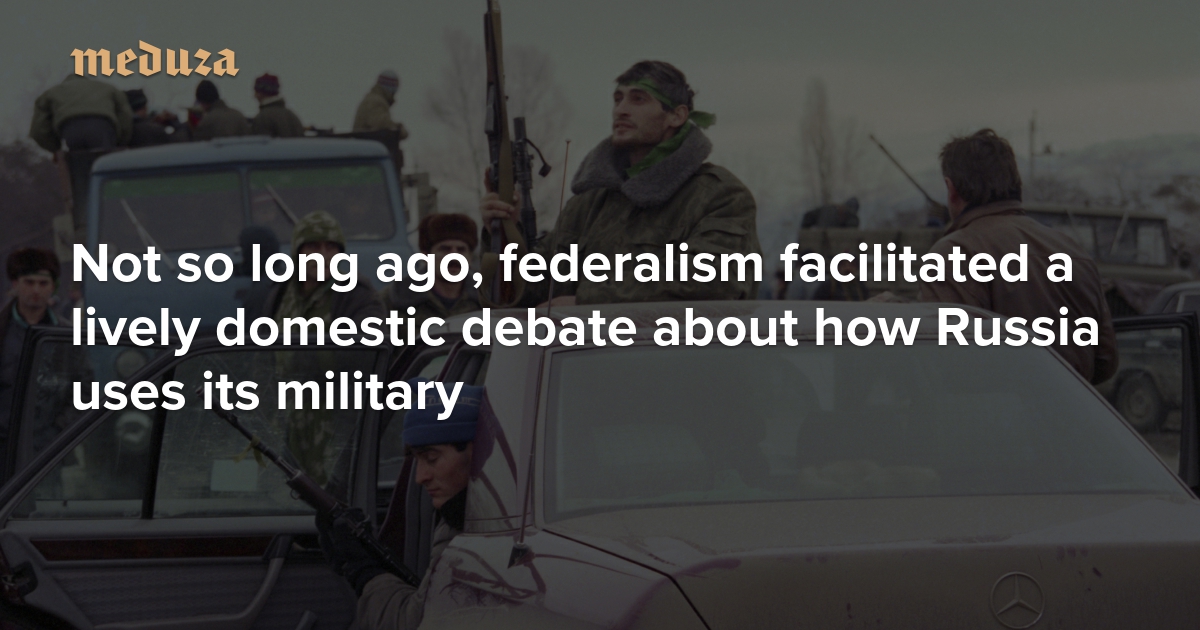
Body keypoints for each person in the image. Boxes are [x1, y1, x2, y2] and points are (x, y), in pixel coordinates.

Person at [480, 60, 761, 306]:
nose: (621, 110)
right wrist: (505, 233)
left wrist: (589, 303)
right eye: (618, 100)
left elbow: (715, 280)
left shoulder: (719, 195)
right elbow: (529, 291)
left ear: (677, 116)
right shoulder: (589, 203)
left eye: (638, 100)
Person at [919, 129, 1117, 384]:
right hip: (1069, 407)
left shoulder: (954, 253)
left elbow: (948, 364)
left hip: (993, 408)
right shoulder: (1073, 251)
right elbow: (1105, 361)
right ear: (1015, 184)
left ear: (951, 189)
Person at [316, 382, 483, 630]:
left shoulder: (474, 535)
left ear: (478, 452)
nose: (420, 477)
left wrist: (364, 571)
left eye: (431, 459)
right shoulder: (464, 516)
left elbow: (416, 623)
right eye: (417, 460)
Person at [258, 211, 385, 324]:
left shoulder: (357, 296)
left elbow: (370, 340)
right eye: (313, 247)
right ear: (298, 253)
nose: (323, 256)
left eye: (330, 247)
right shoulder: (280, 294)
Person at [0, 249, 68, 453]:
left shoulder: (67, 335)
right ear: (15, 284)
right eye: (29, 282)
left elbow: (83, 388)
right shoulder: (3, 330)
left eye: (43, 283)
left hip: (47, 449)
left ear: (53, 287)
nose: (36, 290)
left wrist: (59, 431)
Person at [381, 214, 481, 326]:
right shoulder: (395, 299)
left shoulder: (485, 298)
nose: (454, 256)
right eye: (445, 249)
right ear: (426, 255)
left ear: (470, 257)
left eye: (461, 250)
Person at [29, 75, 132, 153]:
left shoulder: (50, 93)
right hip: (102, 127)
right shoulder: (109, 88)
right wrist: (120, 142)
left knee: (79, 166)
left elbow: (38, 130)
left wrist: (55, 148)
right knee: (105, 165)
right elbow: (126, 117)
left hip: (70, 129)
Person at [353, 70, 409, 139]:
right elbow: (383, 125)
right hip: (367, 144)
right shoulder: (376, 102)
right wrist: (399, 129)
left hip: (365, 143)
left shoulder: (372, 99)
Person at [250, 73, 304, 138]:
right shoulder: (292, 116)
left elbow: (260, 143)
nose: (254, 96)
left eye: (256, 91)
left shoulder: (263, 117)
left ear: (262, 93)